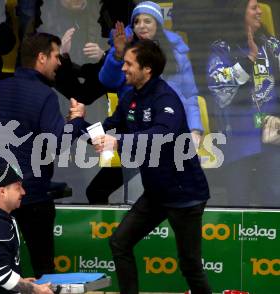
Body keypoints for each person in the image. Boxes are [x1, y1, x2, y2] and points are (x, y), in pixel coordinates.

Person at [89, 40, 211, 293]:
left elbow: (162, 137)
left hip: (184, 195)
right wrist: (83, 124)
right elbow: (111, 124)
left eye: (129, 64)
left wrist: (118, 141)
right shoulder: (130, 96)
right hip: (156, 194)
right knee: (119, 243)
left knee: (190, 265)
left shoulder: (166, 98)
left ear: (147, 69)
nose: (123, 68)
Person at [0, 32, 86, 278]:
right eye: (56, 56)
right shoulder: (44, 95)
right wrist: (77, 121)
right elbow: (57, 142)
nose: (59, 63)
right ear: (41, 58)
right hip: (31, 195)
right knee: (44, 270)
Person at [88, 0, 203, 204]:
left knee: (166, 194)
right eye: (137, 21)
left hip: (167, 130)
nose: (142, 25)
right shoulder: (125, 50)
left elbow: (190, 95)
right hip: (134, 128)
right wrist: (118, 53)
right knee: (98, 191)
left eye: (147, 21)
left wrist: (195, 129)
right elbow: (107, 81)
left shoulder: (176, 53)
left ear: (158, 24)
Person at [207, 0, 280, 207]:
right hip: (238, 138)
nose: (260, 12)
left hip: (273, 138)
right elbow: (218, 89)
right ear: (239, 13)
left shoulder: (272, 44)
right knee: (238, 203)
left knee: (275, 199)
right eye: (254, 8)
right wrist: (248, 61)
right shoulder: (222, 49)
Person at [0, 163, 53, 294]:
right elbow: (0, 274)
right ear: (2, 192)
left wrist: (21, 282)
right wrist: (35, 289)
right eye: (18, 188)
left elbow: (0, 270)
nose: (23, 192)